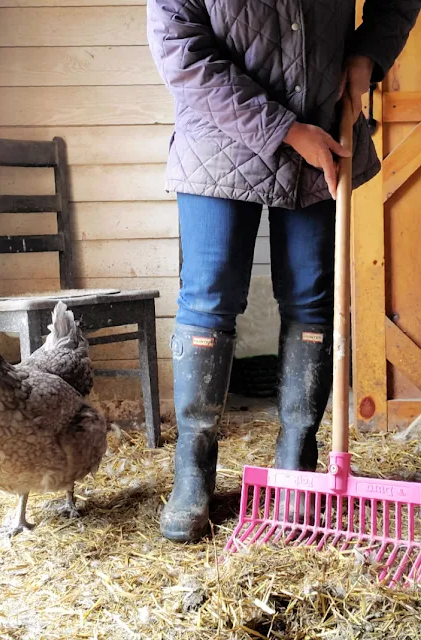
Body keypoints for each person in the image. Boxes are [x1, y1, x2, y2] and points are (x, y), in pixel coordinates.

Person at [147, 0, 421, 542]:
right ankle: (193, 469)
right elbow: (179, 46)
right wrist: (284, 128)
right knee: (209, 300)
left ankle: (298, 460)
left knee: (313, 300)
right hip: (218, 139)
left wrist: (367, 55)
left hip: (320, 129)